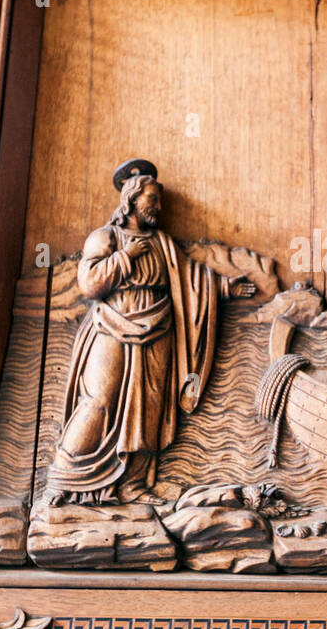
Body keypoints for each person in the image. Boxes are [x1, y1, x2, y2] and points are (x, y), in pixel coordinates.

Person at [44, 159, 255, 506]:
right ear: (131, 198)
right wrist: (125, 257)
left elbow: (190, 280)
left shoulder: (163, 243)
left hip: (158, 329)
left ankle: (133, 485)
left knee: (149, 409)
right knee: (98, 400)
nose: (157, 207)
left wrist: (226, 288)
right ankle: (62, 478)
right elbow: (89, 283)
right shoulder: (106, 237)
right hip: (112, 325)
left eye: (159, 202)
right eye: (152, 199)